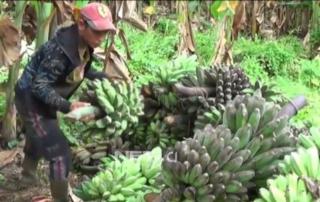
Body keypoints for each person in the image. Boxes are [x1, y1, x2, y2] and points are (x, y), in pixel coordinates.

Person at [13, 2, 116, 201]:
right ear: (82, 25)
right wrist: (69, 106)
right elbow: (39, 86)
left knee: (39, 135)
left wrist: (104, 78)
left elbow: (79, 69)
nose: (101, 38)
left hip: (46, 99)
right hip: (31, 100)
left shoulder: (85, 43)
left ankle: (27, 177)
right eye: (97, 32)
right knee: (59, 152)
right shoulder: (60, 51)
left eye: (105, 32)